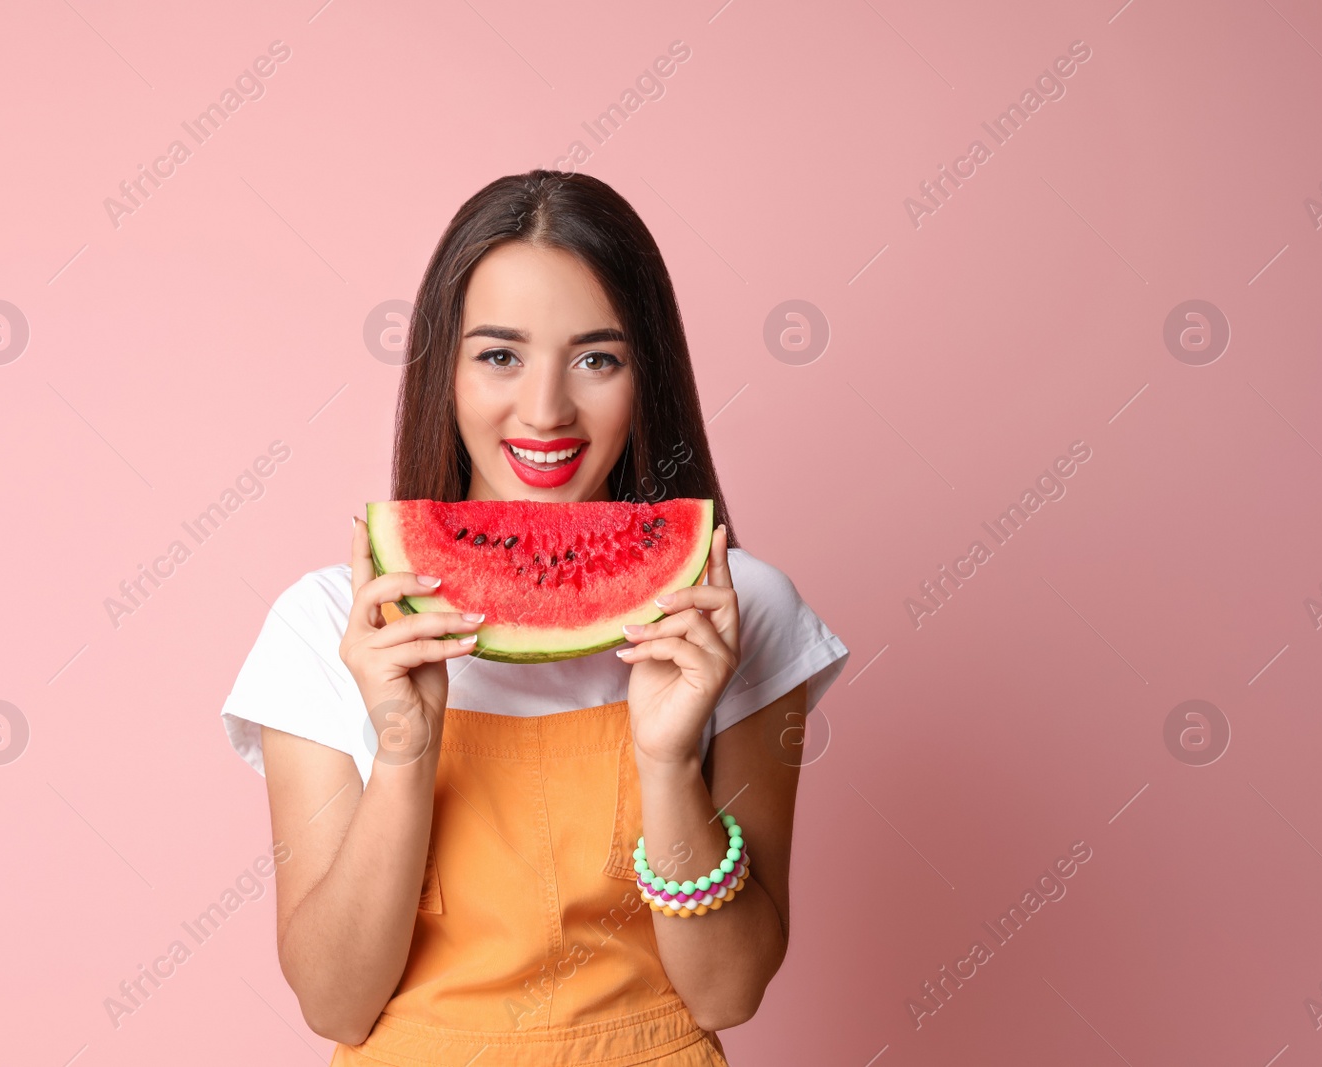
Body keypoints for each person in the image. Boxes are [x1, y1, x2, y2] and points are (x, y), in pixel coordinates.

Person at [219, 170, 850, 1065]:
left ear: (647, 377)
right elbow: (335, 1002)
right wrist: (403, 746)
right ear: (443, 371)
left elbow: (728, 990)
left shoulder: (738, 612)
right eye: (499, 355)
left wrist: (668, 761)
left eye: (598, 357)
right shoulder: (328, 623)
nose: (546, 409)